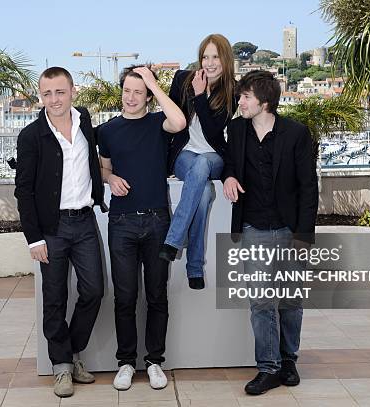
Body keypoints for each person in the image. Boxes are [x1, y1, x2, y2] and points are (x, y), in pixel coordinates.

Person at [222, 70, 318, 395]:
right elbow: (228, 162)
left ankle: (289, 360)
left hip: (290, 229)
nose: (240, 102)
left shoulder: (296, 133)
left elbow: (309, 188)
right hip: (253, 228)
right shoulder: (235, 130)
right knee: (261, 302)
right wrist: (229, 177)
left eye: (245, 97)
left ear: (264, 102)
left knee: (290, 301)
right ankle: (268, 368)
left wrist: (304, 236)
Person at [14, 67, 106, 398]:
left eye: (60, 92)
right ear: (41, 96)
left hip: (84, 221)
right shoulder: (31, 136)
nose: (54, 100)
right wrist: (34, 238)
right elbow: (23, 191)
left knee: (94, 290)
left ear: (72, 92)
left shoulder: (85, 123)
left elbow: (96, 165)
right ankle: (62, 367)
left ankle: (71, 351)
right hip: (51, 229)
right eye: (47, 93)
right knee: (54, 298)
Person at [97, 65, 186, 391]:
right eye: (127, 90)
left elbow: (179, 122)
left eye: (139, 91)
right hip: (120, 223)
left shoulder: (157, 124)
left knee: (156, 295)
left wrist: (153, 82)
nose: (131, 97)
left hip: (157, 220)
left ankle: (154, 362)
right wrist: (110, 178)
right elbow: (103, 167)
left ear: (148, 95)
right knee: (125, 296)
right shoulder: (107, 131)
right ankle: (125, 362)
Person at [159, 33, 237, 290]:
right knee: (202, 192)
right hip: (183, 156)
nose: (210, 63)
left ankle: (172, 240)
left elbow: (214, 132)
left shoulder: (231, 91)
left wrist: (201, 96)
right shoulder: (183, 79)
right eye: (205, 56)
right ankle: (194, 267)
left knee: (203, 164)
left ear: (225, 60)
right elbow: (170, 120)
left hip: (213, 156)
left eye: (215, 57)